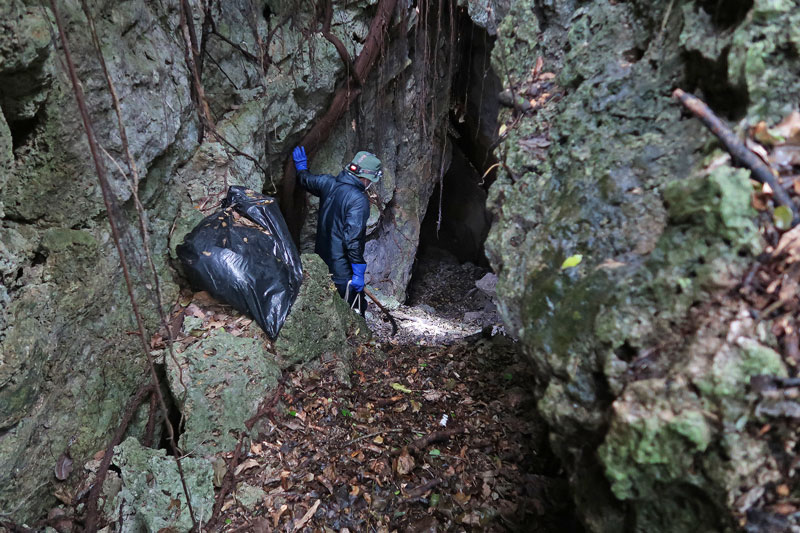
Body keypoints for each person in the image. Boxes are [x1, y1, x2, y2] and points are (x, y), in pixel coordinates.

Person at [292, 145, 382, 315]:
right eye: (371, 180)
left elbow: (306, 180)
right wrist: (358, 271)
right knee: (353, 313)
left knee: (324, 310)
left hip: (322, 264)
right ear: (365, 178)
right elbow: (352, 239)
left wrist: (301, 167)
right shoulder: (358, 200)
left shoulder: (328, 183)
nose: (370, 184)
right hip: (342, 272)